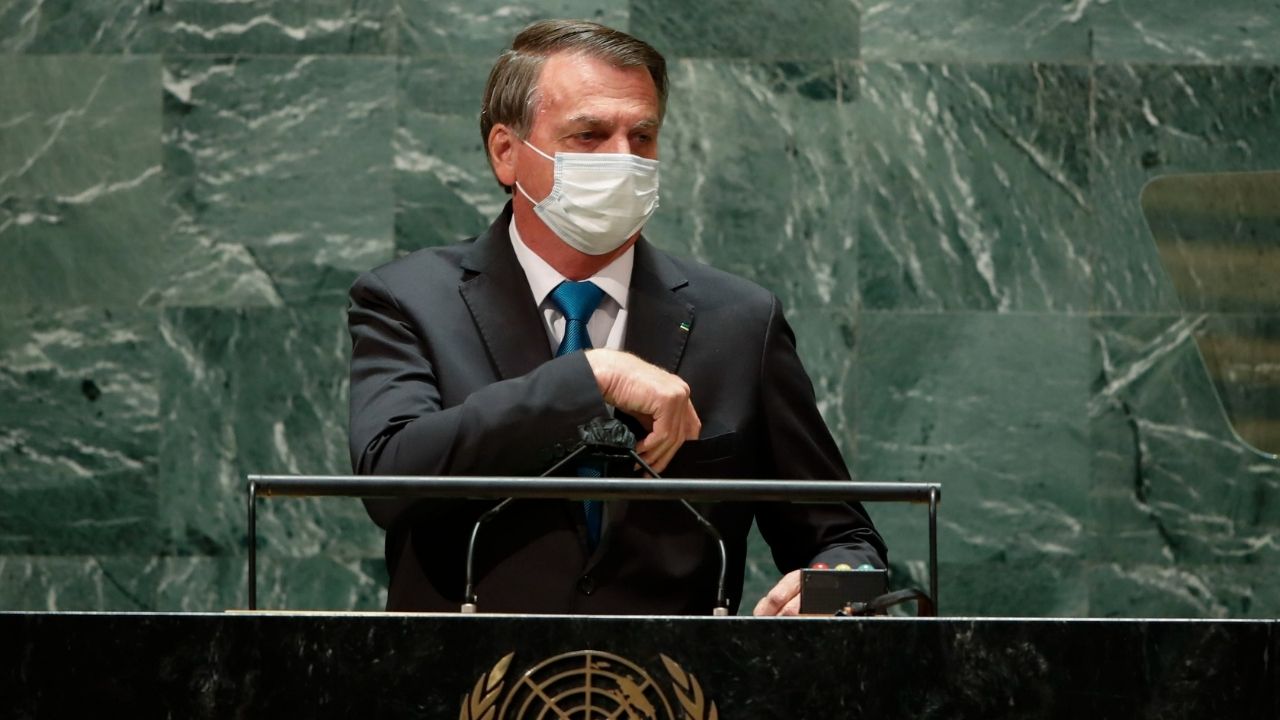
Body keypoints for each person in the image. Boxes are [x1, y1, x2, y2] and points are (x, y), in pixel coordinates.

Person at [347, 19, 886, 616]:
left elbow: (849, 545)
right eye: (590, 134)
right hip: (472, 691)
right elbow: (389, 480)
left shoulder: (739, 321)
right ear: (507, 152)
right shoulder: (409, 300)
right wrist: (589, 378)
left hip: (673, 692)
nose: (624, 159)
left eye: (643, 136)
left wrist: (831, 588)